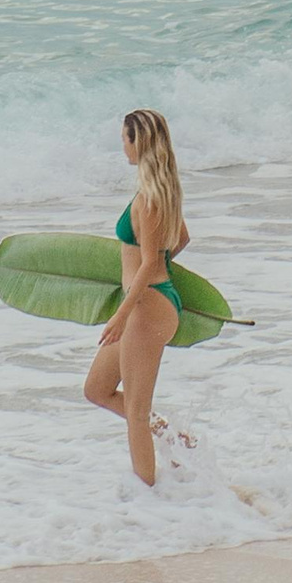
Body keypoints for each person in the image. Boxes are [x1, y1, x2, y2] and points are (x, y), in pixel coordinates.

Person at [83, 107, 197, 485]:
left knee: (135, 411)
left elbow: (149, 263)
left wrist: (121, 314)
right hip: (154, 302)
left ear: (138, 141)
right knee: (97, 390)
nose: (123, 149)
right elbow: (181, 240)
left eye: (124, 140)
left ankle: (149, 496)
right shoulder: (161, 192)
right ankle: (175, 437)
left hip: (145, 309)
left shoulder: (148, 198)